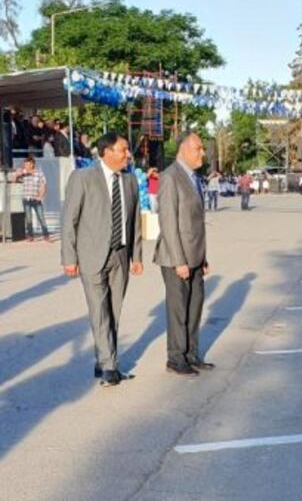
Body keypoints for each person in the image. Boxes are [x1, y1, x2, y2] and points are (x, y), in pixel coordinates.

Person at [60, 133, 144, 387]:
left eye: (128, 150)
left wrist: (136, 256)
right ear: (106, 152)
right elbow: (69, 220)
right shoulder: (83, 178)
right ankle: (110, 367)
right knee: (99, 311)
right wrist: (69, 257)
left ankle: (103, 360)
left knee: (113, 311)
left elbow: (135, 221)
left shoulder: (129, 181)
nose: (127, 155)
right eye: (123, 150)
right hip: (91, 255)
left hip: (120, 255)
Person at [153, 131, 213, 376]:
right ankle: (176, 359)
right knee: (179, 310)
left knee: (194, 308)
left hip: (195, 256)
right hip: (176, 258)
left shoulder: (193, 177)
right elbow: (168, 223)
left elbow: (195, 222)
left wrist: (203, 257)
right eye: (199, 148)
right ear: (184, 149)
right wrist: (179, 261)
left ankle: (191, 354)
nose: (203, 153)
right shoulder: (170, 177)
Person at [13, 157, 51, 242]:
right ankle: (30, 236)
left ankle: (46, 236)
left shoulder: (39, 173)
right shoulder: (23, 173)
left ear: (32, 164)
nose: (25, 165)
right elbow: (14, 181)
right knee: (28, 219)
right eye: (24, 164)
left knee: (41, 218)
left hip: (36, 199)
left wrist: (40, 197)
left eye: (27, 164)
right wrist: (16, 175)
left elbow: (44, 185)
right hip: (26, 198)